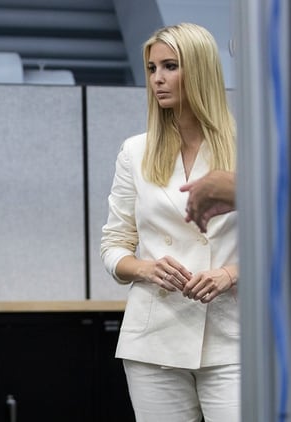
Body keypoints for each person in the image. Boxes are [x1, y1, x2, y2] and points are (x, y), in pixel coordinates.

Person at [100, 23, 239, 422]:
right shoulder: (135, 151)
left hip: (233, 337)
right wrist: (145, 267)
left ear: (199, 70)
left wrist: (230, 273)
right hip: (154, 340)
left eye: (170, 66)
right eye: (151, 68)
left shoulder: (251, 144)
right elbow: (113, 245)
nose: (157, 79)